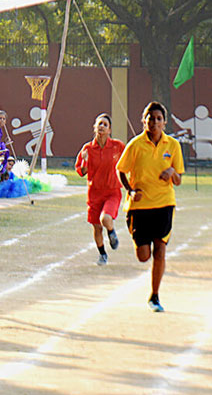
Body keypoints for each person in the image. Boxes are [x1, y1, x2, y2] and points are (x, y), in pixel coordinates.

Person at [116, 101, 184, 312]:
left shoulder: (173, 145)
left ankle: (154, 296)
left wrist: (172, 173)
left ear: (164, 123)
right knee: (143, 255)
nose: (154, 122)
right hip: (140, 207)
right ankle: (140, 245)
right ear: (144, 121)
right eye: (151, 119)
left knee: (160, 250)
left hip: (164, 204)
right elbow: (121, 170)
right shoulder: (135, 145)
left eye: (158, 119)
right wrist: (130, 190)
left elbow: (179, 179)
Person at [75, 113, 125, 265]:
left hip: (112, 191)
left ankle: (112, 233)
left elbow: (129, 159)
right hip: (94, 193)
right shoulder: (88, 148)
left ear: (109, 130)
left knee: (105, 219)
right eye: (99, 124)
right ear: (95, 127)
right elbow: (81, 172)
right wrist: (85, 161)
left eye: (105, 124)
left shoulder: (117, 146)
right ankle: (102, 254)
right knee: (97, 228)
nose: (102, 126)